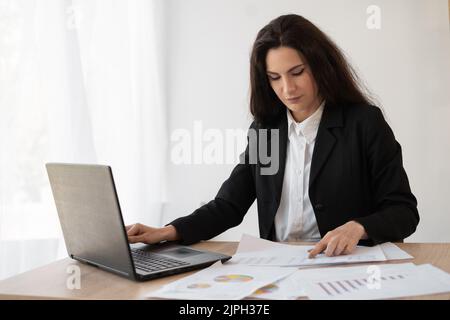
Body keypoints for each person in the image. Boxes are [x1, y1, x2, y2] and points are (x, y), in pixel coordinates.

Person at [126, 14, 419, 258]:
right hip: (279, 266)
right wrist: (169, 231)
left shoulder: (363, 123)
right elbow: (229, 205)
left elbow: (403, 211)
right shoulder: (266, 131)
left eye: (297, 72)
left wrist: (357, 227)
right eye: (275, 78)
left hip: (344, 266)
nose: (287, 89)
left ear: (320, 66)